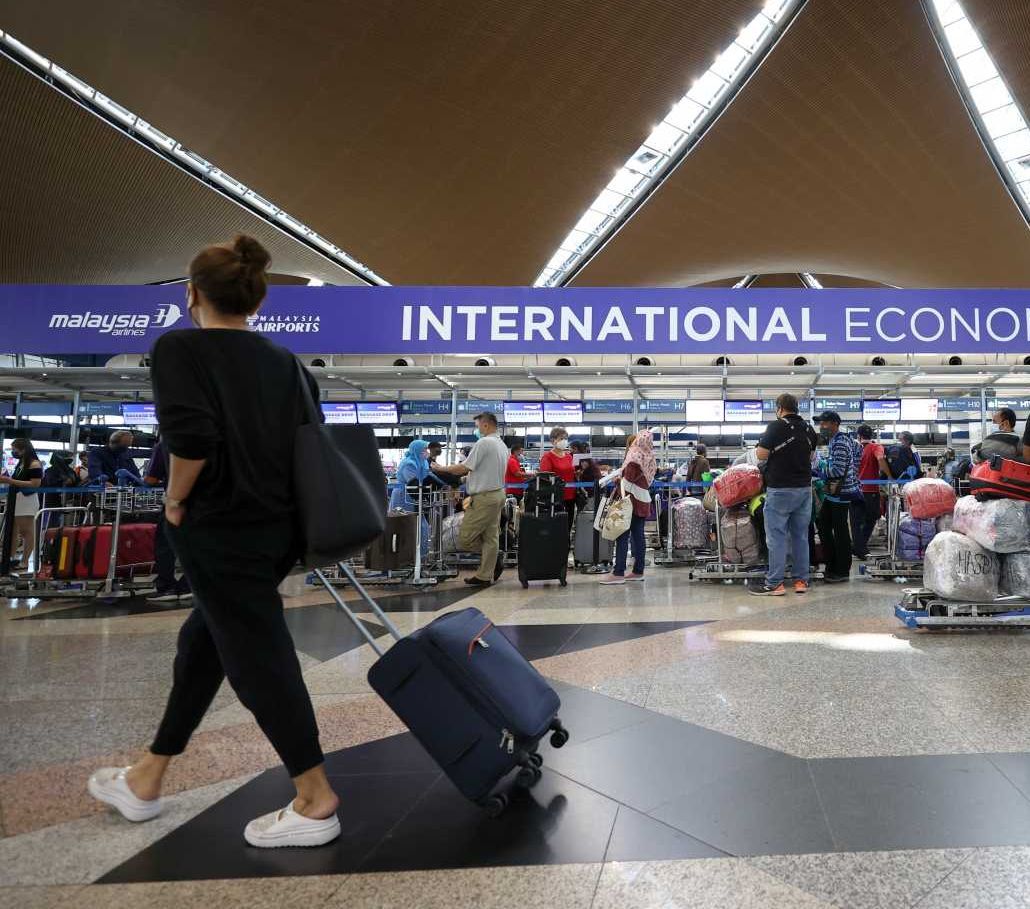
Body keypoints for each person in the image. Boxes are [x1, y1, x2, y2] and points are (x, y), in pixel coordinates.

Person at [86, 235, 341, 849]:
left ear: (191, 293)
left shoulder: (180, 348)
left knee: (257, 654)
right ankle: (147, 776)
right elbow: (313, 441)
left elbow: (191, 442)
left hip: (219, 528)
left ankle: (315, 798)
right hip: (277, 530)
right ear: (255, 300)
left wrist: (174, 500)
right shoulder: (285, 363)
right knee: (204, 642)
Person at [749, 394, 819, 596]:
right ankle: (801, 581)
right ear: (797, 408)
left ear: (779, 408)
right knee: (800, 537)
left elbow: (761, 454)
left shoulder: (776, 426)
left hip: (780, 488)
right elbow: (811, 456)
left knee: (777, 537)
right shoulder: (808, 428)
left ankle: (775, 583)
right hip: (804, 489)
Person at [434, 412, 508, 586]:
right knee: (490, 537)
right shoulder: (501, 445)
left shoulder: (484, 442)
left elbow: (463, 467)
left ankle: (494, 556)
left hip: (484, 498)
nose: (477, 430)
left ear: (485, 425)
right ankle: (484, 575)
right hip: (497, 495)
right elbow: (484, 471)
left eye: (477, 426)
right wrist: (466, 480)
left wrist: (441, 468)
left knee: (465, 536)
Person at [598, 430, 657, 584]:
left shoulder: (634, 457)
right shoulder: (650, 456)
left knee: (622, 535)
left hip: (630, 501)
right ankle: (638, 571)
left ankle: (618, 573)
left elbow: (628, 480)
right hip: (643, 499)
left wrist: (618, 480)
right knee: (638, 536)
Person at [143, 434, 192, 603]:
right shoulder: (205, 442)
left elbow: (150, 479)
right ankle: (188, 586)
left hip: (175, 500)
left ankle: (167, 587)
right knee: (193, 545)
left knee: (165, 545)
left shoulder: (165, 445)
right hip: (202, 502)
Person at [817, 411, 861, 582]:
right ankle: (832, 565)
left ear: (835, 423)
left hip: (840, 494)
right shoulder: (838, 440)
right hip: (834, 493)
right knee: (824, 525)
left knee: (840, 531)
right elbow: (858, 452)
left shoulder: (841, 442)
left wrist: (819, 468)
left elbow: (837, 471)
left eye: (824, 423)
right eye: (820, 423)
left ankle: (841, 570)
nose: (821, 427)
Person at [388, 440, 440, 561]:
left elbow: (429, 478)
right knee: (404, 525)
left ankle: (418, 557)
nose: (426, 452)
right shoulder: (409, 464)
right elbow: (413, 483)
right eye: (424, 450)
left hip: (413, 497)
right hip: (404, 497)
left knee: (419, 526)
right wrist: (423, 495)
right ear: (417, 451)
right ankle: (404, 558)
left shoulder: (422, 463)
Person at [1, 439, 43, 571]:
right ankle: (11, 558)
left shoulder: (35, 464)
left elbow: (35, 484)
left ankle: (25, 561)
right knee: (12, 531)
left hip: (27, 500)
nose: (13, 452)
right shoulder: (21, 463)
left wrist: (10, 480)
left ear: (24, 449)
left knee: (26, 532)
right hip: (16, 499)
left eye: (15, 450)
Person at [855, 425, 889, 558]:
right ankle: (861, 547)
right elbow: (880, 459)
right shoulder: (876, 447)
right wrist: (890, 476)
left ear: (859, 436)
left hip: (855, 491)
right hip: (870, 491)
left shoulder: (854, 448)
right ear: (872, 436)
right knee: (872, 518)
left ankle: (858, 547)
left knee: (856, 522)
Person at [539, 426, 577, 536]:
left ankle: (565, 548)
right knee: (556, 528)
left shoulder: (569, 457)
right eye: (561, 438)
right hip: (555, 498)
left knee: (568, 526)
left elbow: (571, 473)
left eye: (566, 438)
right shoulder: (547, 457)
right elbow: (544, 478)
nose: (564, 441)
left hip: (571, 496)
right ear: (552, 440)